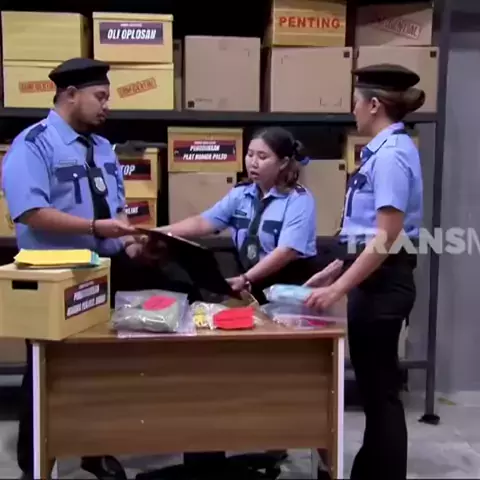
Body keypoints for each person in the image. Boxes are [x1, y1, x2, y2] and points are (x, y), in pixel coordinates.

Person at [1, 57, 187, 480]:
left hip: (106, 267)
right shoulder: (33, 144)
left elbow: (115, 209)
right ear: (70, 95)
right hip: (57, 274)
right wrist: (93, 227)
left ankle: (94, 448)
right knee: (46, 368)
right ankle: (35, 462)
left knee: (102, 367)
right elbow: (30, 212)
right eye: (100, 96)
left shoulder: (103, 147)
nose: (107, 105)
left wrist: (134, 245)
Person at [304, 64, 425, 480]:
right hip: (372, 280)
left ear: (374, 105)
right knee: (376, 392)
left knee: (381, 393)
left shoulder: (390, 156)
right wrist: (334, 269)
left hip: (384, 285)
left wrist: (339, 287)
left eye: (355, 102)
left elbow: (387, 236)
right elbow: (364, 233)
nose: (352, 110)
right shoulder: (385, 150)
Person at [157, 126, 319, 300]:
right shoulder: (241, 194)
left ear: (283, 163)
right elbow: (204, 222)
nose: (253, 163)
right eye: (250, 154)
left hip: (289, 290)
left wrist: (246, 278)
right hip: (249, 284)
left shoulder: (299, 200)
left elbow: (285, 252)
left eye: (262, 157)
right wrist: (157, 232)